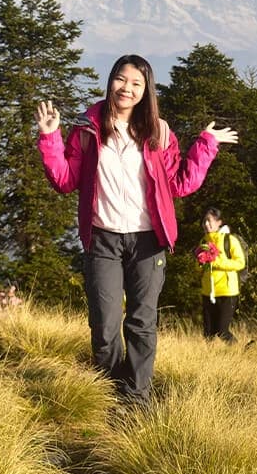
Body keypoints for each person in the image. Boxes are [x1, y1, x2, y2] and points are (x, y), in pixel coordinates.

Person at [36, 54, 237, 406]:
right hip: (103, 239)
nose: (126, 88)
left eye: (136, 83)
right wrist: (50, 137)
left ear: (146, 90)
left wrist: (206, 144)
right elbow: (65, 181)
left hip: (148, 241)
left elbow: (180, 184)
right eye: (121, 79)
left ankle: (137, 401)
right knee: (105, 326)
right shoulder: (87, 129)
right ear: (110, 80)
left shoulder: (159, 132)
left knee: (142, 323)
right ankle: (110, 395)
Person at [197, 207, 245, 342]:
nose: (206, 224)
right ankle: (211, 355)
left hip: (227, 292)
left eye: (209, 220)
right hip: (208, 292)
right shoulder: (203, 242)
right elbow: (199, 268)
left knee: (222, 332)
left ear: (219, 222)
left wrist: (216, 262)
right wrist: (201, 263)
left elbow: (240, 263)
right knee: (208, 333)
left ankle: (240, 351)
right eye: (204, 221)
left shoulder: (230, 240)